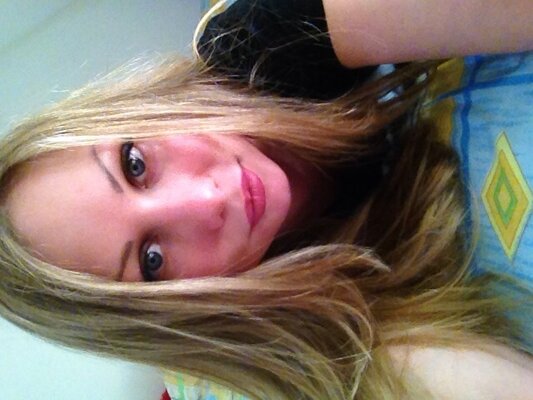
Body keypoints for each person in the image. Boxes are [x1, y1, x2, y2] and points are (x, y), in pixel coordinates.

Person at [1, 1, 532, 399]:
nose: (206, 200)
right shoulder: (313, 341)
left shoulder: (256, 45)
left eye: (135, 163)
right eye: (153, 260)